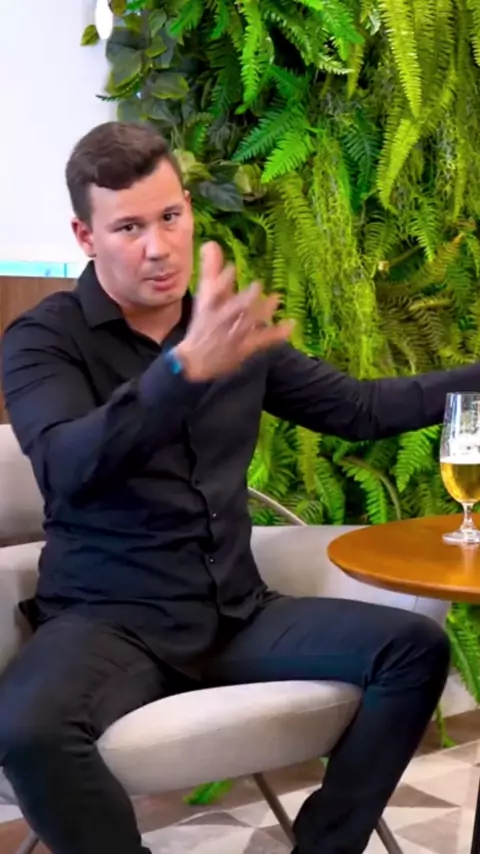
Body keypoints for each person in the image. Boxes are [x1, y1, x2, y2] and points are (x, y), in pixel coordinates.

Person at [2, 120, 475, 854]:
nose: (158, 246)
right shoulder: (44, 339)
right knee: (26, 729)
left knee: (412, 650)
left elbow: (360, 409)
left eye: (170, 216)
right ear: (85, 236)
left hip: (234, 614)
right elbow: (68, 465)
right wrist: (180, 372)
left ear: (190, 209)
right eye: (128, 227)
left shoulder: (228, 330)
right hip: (109, 620)